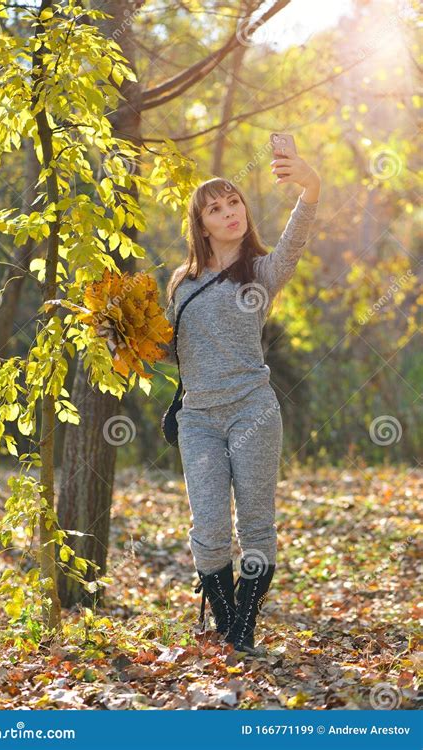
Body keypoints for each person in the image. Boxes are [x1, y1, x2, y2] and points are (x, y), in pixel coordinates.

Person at [161, 146, 320, 656]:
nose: (230, 212)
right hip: (199, 418)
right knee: (207, 530)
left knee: (255, 525)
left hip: (253, 411)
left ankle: (240, 633)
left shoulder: (262, 272)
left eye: (235, 203)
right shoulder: (182, 283)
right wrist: (119, 335)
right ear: (201, 224)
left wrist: (310, 189)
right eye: (216, 208)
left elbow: (294, 243)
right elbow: (171, 350)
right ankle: (230, 626)